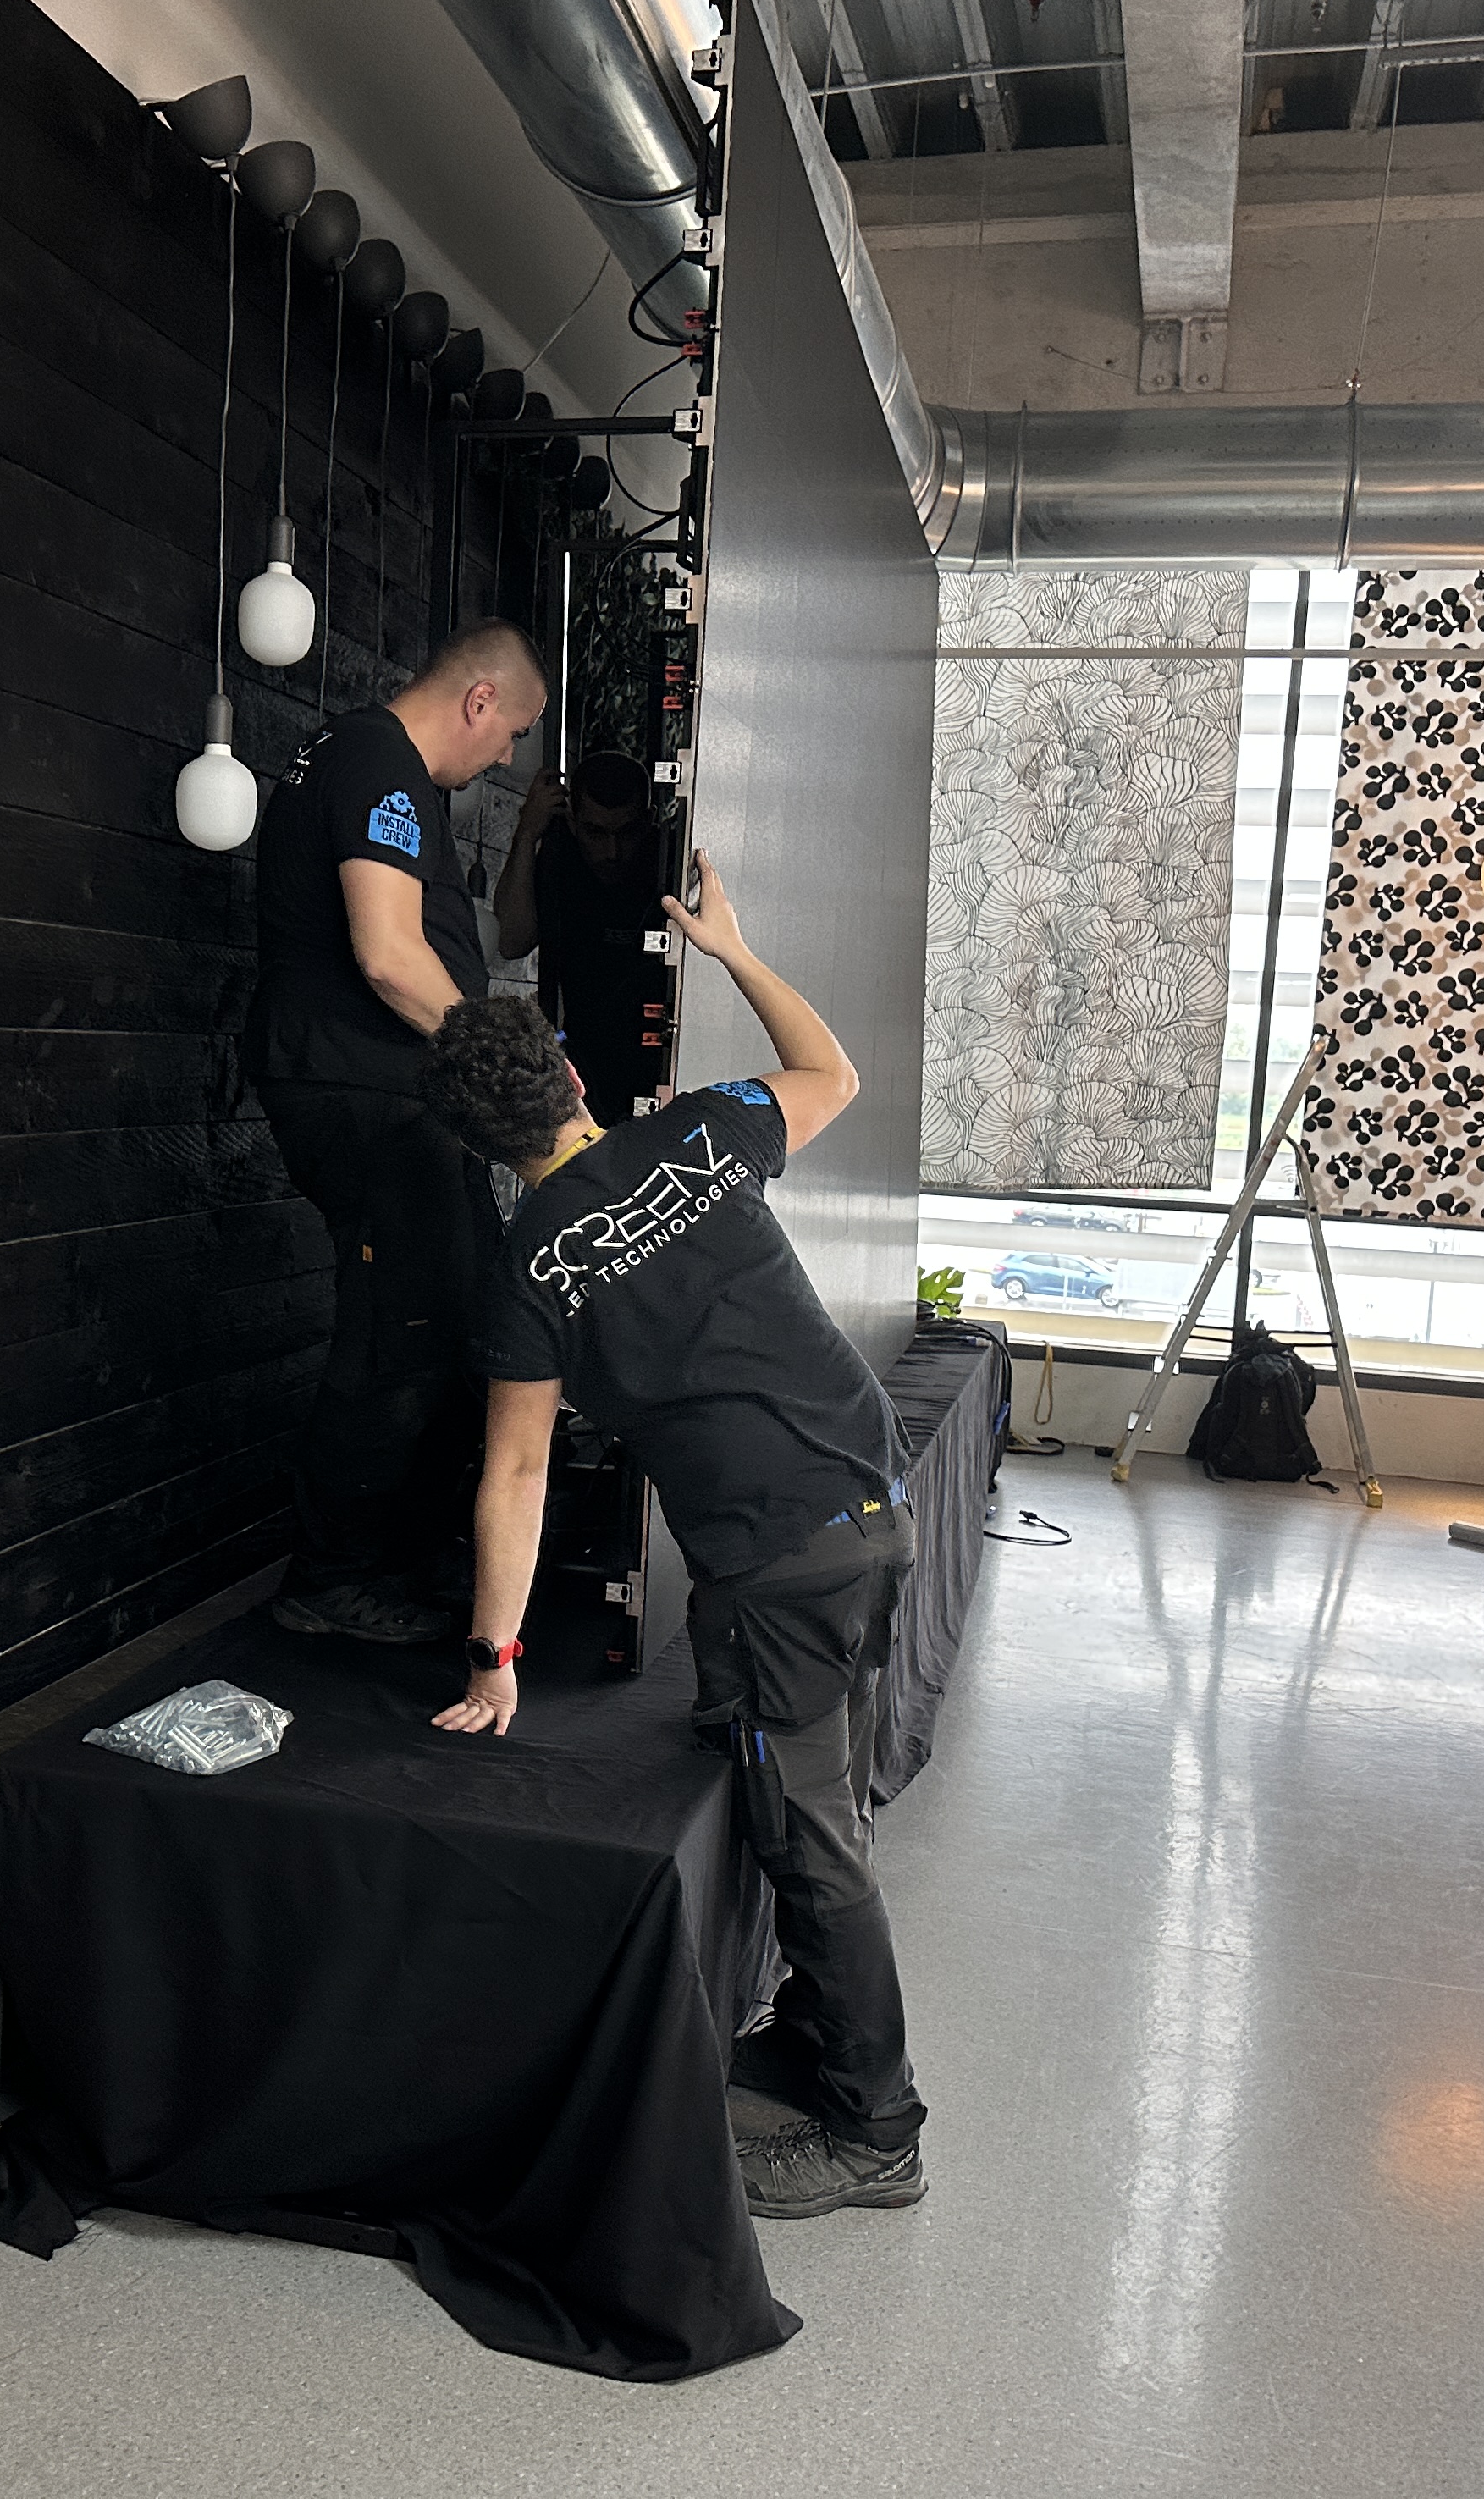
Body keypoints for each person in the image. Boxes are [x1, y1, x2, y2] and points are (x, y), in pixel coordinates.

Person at [414, 856, 928, 2223]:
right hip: (874, 1498)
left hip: (780, 1557)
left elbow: (515, 1472)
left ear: (482, 1149)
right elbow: (831, 1073)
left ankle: (876, 2130)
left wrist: (494, 1659)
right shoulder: (699, 1133)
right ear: (574, 1077)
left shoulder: (531, 1265)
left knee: (810, 1839)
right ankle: (813, 2033)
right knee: (809, 1787)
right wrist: (732, 950)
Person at [240, 618, 548, 1647]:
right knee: (400, 1336)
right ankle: (331, 1581)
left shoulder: (372, 764)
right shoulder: (377, 765)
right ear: (479, 701)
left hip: (399, 1097)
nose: (502, 758)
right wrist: (511, 1068)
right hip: (360, 1094)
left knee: (461, 1320)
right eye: (511, 735)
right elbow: (387, 955)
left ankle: (410, 1561)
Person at [490, 748, 671, 1115]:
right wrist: (527, 833)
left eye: (627, 832)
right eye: (595, 833)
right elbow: (511, 941)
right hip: (582, 1057)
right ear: (573, 823)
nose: (612, 851)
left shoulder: (668, 864)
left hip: (660, 1056)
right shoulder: (561, 858)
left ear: (649, 821)